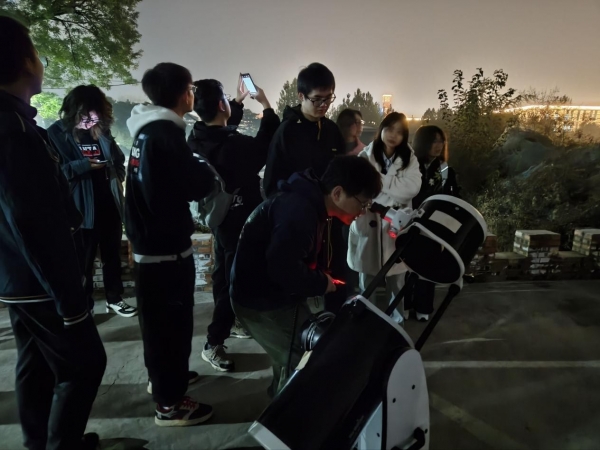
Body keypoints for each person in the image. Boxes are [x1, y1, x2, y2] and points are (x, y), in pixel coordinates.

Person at [0, 15, 106, 450]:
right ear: (26, 61)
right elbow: (32, 222)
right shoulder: (14, 130)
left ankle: (38, 442)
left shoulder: (16, 123)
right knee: (85, 365)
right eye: (37, 52)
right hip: (39, 282)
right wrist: (70, 302)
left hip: (17, 278)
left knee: (36, 365)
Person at [230, 156, 382, 397]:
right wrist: (321, 283)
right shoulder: (299, 212)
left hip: (270, 293)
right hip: (261, 301)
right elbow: (283, 269)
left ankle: (279, 397)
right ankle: (287, 414)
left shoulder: (308, 202)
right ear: (338, 193)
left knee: (291, 353)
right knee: (299, 361)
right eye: (362, 204)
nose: (363, 212)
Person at [125, 62, 215, 427]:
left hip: (149, 248)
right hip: (165, 252)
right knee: (171, 329)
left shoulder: (145, 130)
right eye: (191, 88)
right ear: (183, 93)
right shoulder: (166, 134)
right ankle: (170, 404)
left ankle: (163, 381)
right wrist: (204, 168)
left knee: (158, 327)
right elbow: (197, 183)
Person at [188, 77, 280, 372]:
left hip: (218, 219)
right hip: (239, 221)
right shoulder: (236, 147)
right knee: (232, 282)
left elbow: (221, 130)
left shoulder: (196, 137)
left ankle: (233, 324)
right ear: (220, 105)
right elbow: (266, 142)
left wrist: (237, 103)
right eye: (226, 99)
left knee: (221, 277)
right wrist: (265, 104)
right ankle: (213, 342)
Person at [263, 62, 349, 313]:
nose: (324, 105)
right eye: (317, 99)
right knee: (298, 280)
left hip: (330, 222)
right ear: (301, 96)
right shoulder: (287, 132)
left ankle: (335, 324)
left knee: (336, 277)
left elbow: (342, 173)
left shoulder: (331, 130)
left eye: (329, 98)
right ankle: (300, 328)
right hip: (298, 222)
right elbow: (271, 183)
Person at [48, 85, 136, 318]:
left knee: (111, 257)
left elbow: (118, 159)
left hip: (109, 204)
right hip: (80, 209)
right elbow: (53, 173)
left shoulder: (102, 131)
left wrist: (117, 175)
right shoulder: (55, 134)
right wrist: (85, 165)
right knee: (82, 263)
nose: (90, 122)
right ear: (73, 111)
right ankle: (83, 307)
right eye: (85, 117)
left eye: (95, 117)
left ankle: (114, 299)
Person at [347, 112, 422, 323]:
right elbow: (364, 189)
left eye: (399, 132)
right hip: (369, 226)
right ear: (381, 129)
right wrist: (394, 189)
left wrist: (379, 181)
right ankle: (366, 322)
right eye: (389, 129)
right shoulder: (365, 156)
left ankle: (396, 324)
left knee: (397, 282)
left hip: (395, 229)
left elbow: (412, 189)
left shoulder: (410, 158)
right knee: (367, 283)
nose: (393, 135)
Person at [405, 125, 460, 321]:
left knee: (428, 266)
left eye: (441, 141)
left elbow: (454, 198)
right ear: (423, 142)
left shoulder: (445, 170)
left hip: (434, 226)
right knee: (407, 265)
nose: (439, 145)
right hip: (410, 222)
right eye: (434, 141)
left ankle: (423, 308)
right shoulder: (410, 165)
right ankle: (405, 305)